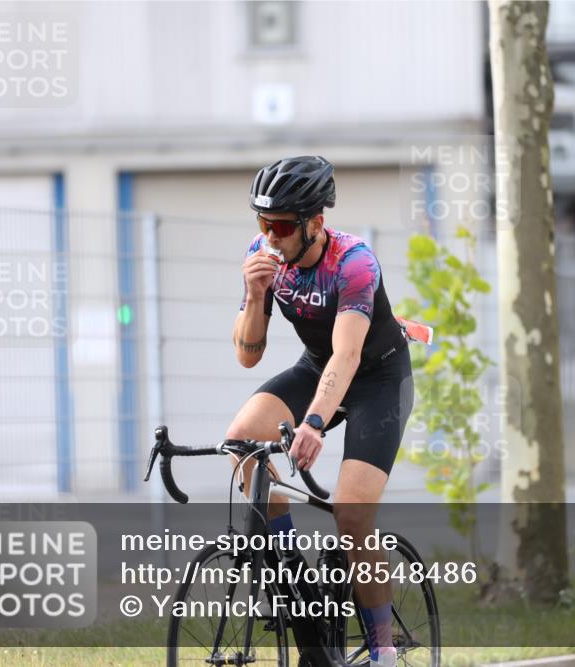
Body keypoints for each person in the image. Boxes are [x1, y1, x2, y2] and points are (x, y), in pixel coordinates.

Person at [226, 155, 412, 667]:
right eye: (263, 223)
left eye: (283, 226)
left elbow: (348, 355)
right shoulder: (262, 258)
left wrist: (313, 423)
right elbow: (248, 356)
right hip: (316, 365)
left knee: (351, 514)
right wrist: (254, 294)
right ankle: (298, 586)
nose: (271, 236)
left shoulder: (354, 262)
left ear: (315, 223)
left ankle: (383, 651)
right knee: (241, 443)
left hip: (377, 378)